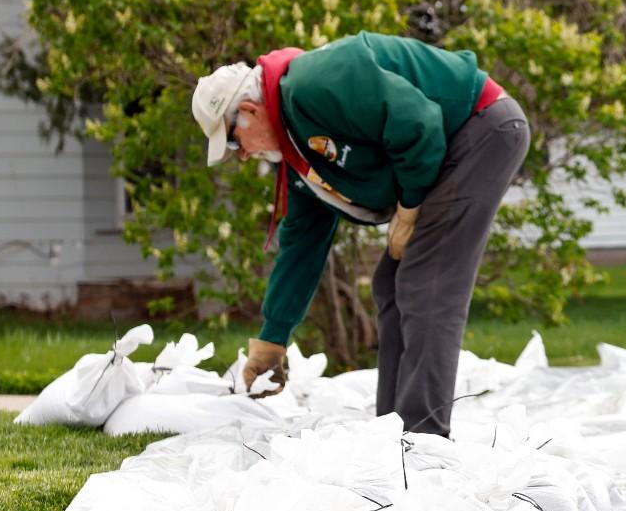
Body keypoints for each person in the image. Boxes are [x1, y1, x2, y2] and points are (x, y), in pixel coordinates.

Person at [191, 31, 529, 436]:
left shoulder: (313, 84)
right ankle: (392, 427)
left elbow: (417, 120)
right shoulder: (297, 152)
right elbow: (301, 244)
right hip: (451, 147)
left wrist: (410, 207)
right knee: (389, 282)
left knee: (427, 281)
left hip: (481, 127)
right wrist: (272, 341)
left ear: (248, 110)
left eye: (233, 141)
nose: (242, 155)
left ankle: (423, 437)